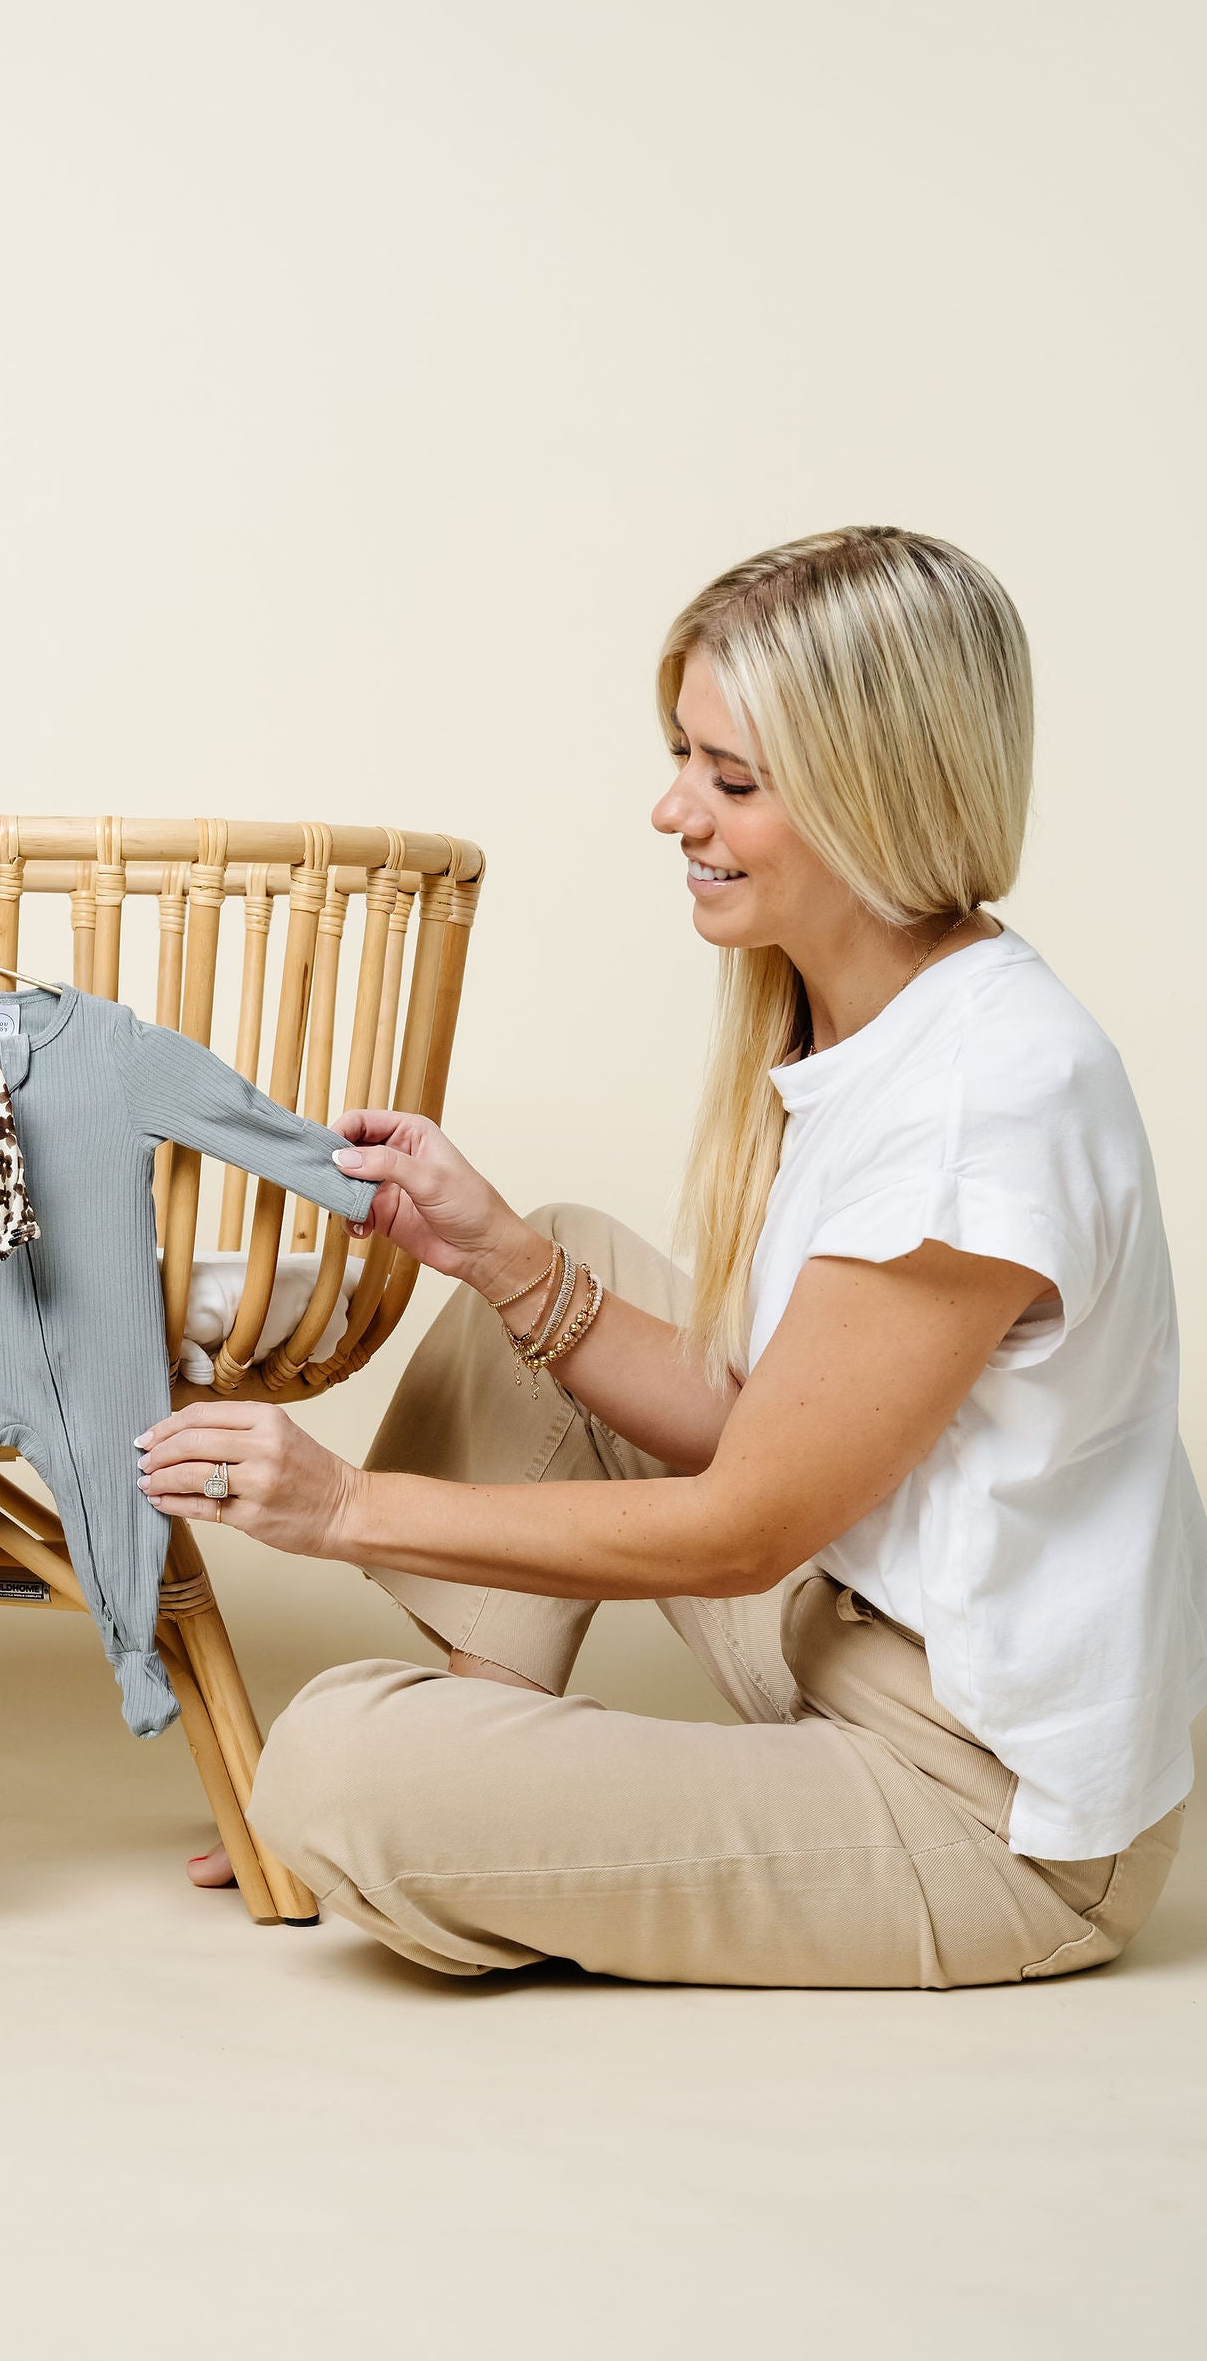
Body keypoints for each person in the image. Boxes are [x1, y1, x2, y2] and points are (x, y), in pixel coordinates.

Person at [139, 527, 1204, 1986]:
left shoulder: (981, 1103)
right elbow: (786, 1432)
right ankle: (476, 1773)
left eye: (732, 780)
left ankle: (432, 1795)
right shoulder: (872, 1022)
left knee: (334, 1766)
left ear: (876, 798)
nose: (671, 809)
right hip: (843, 1632)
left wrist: (342, 1506)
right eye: (683, 757)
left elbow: (743, 1527)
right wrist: (503, 1261)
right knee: (560, 1252)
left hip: (989, 1818)